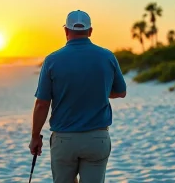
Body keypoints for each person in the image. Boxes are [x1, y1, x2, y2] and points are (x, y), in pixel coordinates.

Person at [29, 10, 127, 183]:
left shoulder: (52, 60)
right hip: (97, 138)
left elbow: (42, 104)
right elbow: (121, 92)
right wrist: (99, 90)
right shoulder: (107, 56)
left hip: (64, 140)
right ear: (90, 31)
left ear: (66, 31)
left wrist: (35, 136)